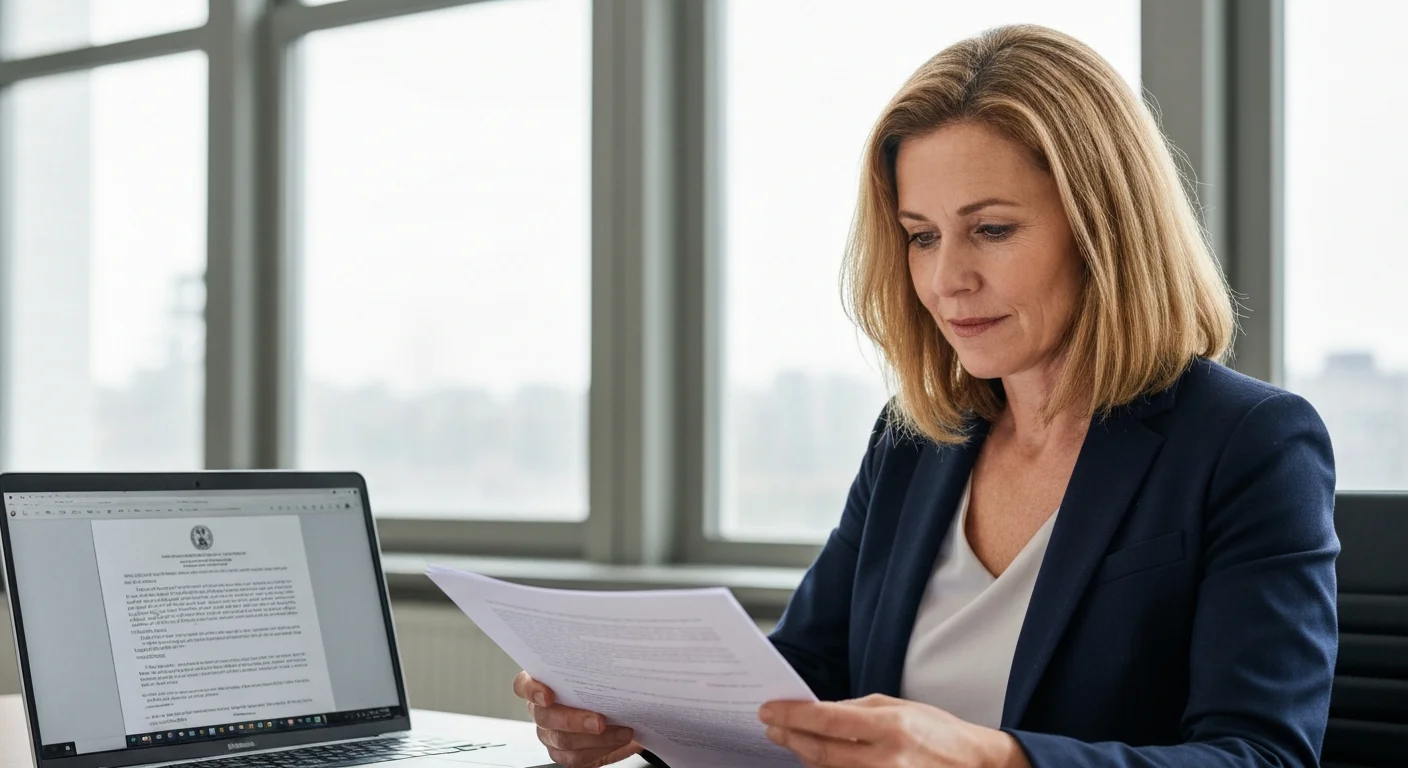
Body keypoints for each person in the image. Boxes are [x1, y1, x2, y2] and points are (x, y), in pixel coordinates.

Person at [512, 23, 1338, 768]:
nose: (947, 280)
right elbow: (803, 678)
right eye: (921, 237)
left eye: (992, 229)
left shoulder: (1250, 442)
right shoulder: (916, 437)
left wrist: (991, 759)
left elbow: (1260, 754)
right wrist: (638, 721)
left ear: (1105, 232)